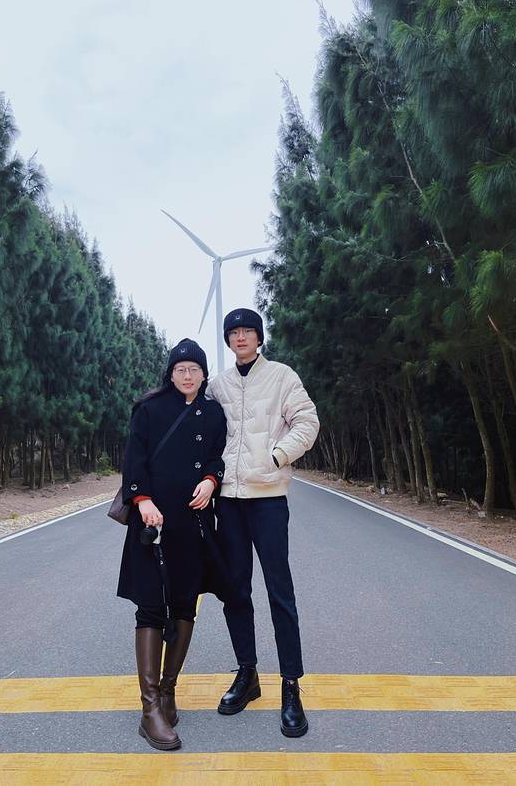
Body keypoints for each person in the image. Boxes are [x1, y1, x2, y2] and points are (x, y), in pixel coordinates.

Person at [206, 308, 320, 737]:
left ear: (258, 337)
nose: (240, 338)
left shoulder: (281, 377)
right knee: (236, 591)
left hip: (268, 499)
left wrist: (277, 455)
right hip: (228, 502)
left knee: (279, 592)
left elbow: (307, 421)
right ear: (228, 339)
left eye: (247, 331)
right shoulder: (218, 384)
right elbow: (199, 423)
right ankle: (248, 674)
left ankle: (291, 686)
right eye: (233, 332)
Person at [117, 338, 227, 751]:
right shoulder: (149, 409)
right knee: (150, 605)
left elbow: (217, 455)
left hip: (193, 522)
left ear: (203, 374)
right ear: (170, 373)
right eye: (180, 369)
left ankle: (167, 692)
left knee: (184, 605)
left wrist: (211, 480)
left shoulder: (214, 413)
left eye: (194, 369)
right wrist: (142, 500)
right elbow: (134, 459)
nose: (187, 375)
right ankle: (149, 711)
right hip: (153, 522)